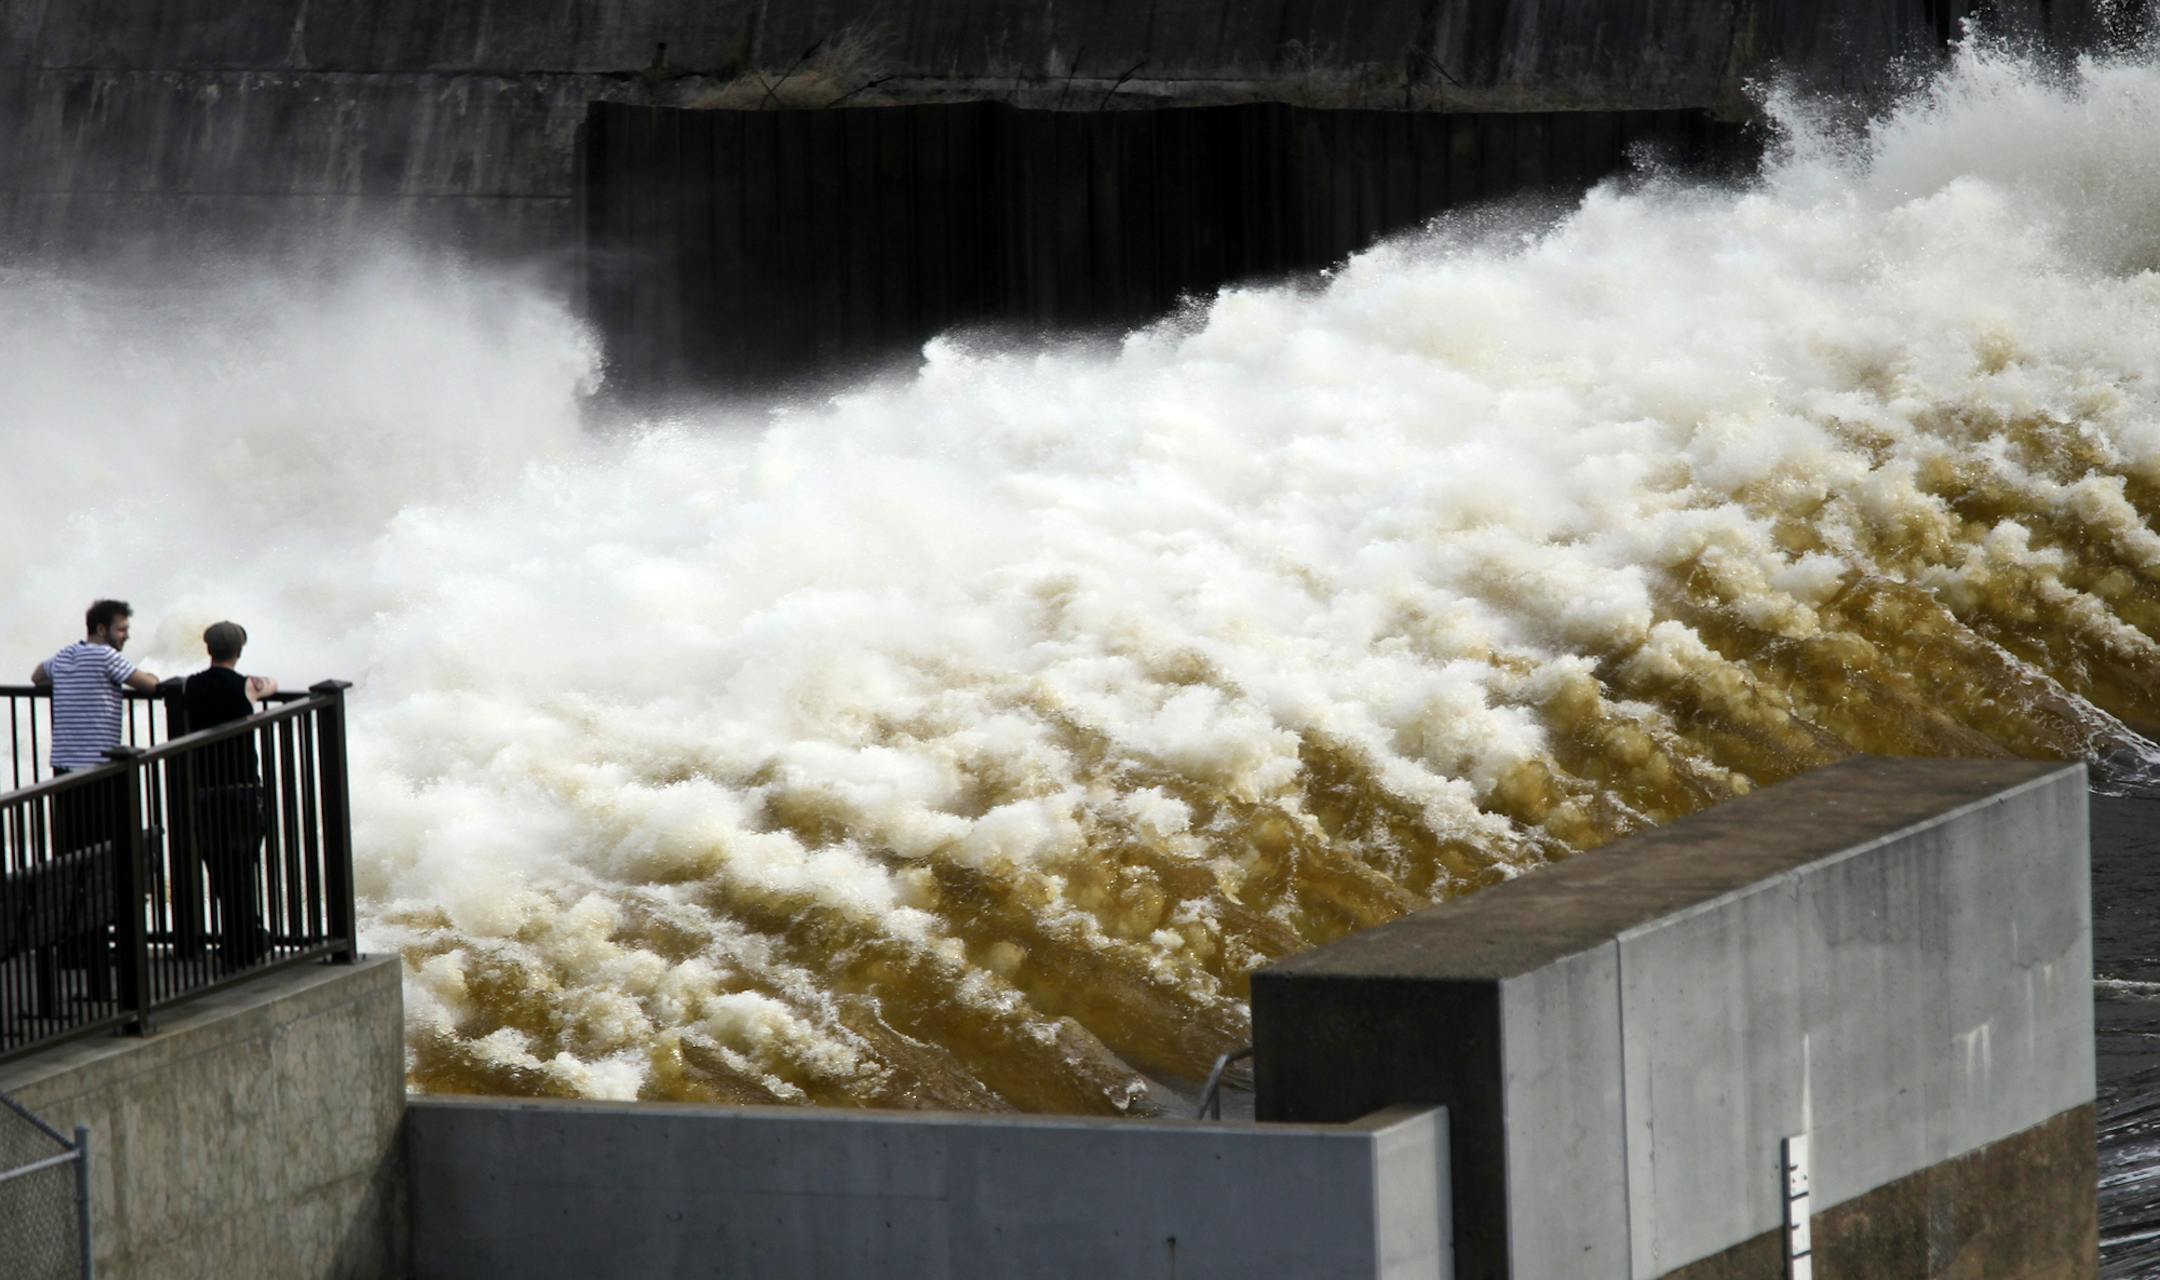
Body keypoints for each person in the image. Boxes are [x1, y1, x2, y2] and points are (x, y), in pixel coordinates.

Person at [183, 621, 277, 965]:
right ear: (239, 651)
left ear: (209, 649)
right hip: (241, 789)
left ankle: (238, 938)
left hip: (205, 789)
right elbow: (271, 685)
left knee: (221, 870)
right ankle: (245, 942)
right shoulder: (245, 687)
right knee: (243, 866)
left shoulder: (191, 686)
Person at [30, 599, 159, 775]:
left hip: (62, 764)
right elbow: (150, 686)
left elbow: (37, 676)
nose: (127, 636)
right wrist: (153, 676)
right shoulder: (106, 656)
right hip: (97, 764)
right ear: (101, 629)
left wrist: (68, 681)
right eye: (121, 630)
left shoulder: (66, 654)